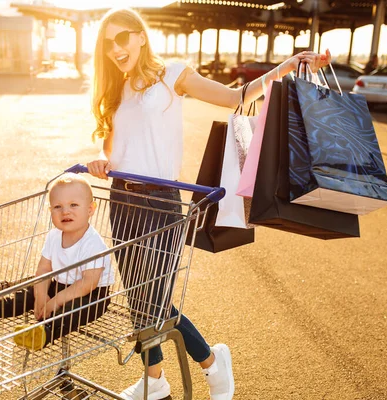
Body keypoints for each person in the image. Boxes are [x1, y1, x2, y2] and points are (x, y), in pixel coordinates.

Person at [86, 7, 332, 400]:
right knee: (138, 296)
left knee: (156, 299)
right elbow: (113, 146)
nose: (115, 49)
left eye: (121, 38)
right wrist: (100, 159)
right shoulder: (118, 87)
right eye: (107, 43)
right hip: (121, 199)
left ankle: (213, 362)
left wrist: (286, 66)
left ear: (140, 36)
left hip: (161, 202)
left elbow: (236, 97)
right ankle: (156, 381)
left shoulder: (173, 75)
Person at [0, 173, 115, 350]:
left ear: (90, 209)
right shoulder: (54, 236)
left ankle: (44, 331)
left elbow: (87, 284)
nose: (65, 211)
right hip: (59, 284)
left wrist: (55, 301)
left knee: (73, 310)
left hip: (93, 296)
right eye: (58, 206)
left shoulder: (93, 244)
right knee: (27, 291)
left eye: (73, 205)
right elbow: (44, 269)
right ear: (51, 211)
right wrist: (41, 295)